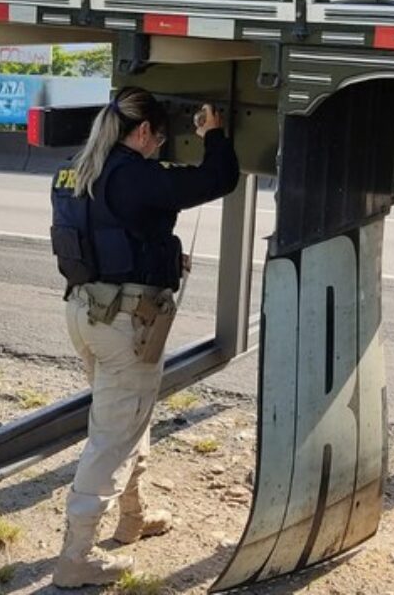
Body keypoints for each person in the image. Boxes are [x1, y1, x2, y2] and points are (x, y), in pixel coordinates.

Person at [49, 86, 239, 588]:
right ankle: (76, 558)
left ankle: (133, 516)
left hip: (85, 312)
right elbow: (219, 178)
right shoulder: (133, 174)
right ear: (141, 132)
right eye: (158, 138)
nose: (159, 147)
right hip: (123, 325)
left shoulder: (76, 168)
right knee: (114, 435)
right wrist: (213, 133)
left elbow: (112, 232)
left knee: (128, 419)